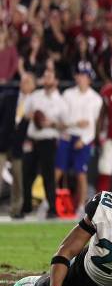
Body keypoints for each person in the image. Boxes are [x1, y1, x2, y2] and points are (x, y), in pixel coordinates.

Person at [56, 68, 103, 217]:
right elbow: (62, 119)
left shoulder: (96, 99)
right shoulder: (68, 94)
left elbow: (92, 124)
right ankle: (49, 201)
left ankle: (81, 205)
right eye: (80, 75)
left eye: (85, 76)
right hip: (67, 135)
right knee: (58, 170)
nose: (82, 78)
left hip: (84, 138)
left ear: (89, 79)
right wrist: (75, 124)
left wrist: (84, 140)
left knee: (81, 173)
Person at [22, 68, 68, 219]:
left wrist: (51, 124)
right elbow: (27, 114)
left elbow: (65, 125)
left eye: (50, 77)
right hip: (33, 139)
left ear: (56, 81)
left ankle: (52, 209)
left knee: (48, 176)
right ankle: (27, 207)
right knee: (27, 174)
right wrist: (35, 118)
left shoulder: (60, 101)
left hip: (48, 141)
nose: (46, 79)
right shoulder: (35, 96)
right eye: (45, 76)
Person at [0, 72, 35, 219]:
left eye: (27, 81)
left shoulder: (35, 102)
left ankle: (16, 209)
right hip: (2, 142)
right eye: (23, 81)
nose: (24, 83)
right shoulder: (9, 97)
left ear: (33, 85)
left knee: (18, 179)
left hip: (19, 145)